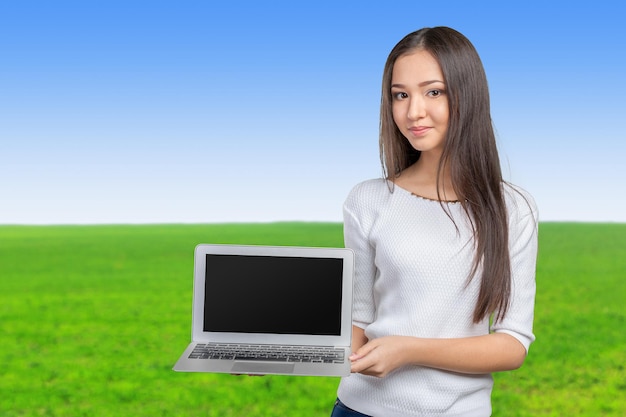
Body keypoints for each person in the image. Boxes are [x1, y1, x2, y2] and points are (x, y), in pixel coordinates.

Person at [330, 26, 539, 417]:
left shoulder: (511, 208)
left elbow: (512, 344)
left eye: (433, 92)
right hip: (359, 409)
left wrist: (409, 349)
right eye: (400, 95)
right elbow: (358, 324)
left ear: (467, 95)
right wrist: (279, 351)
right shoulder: (368, 200)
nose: (413, 112)